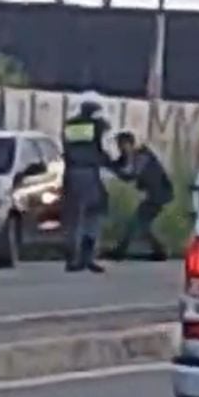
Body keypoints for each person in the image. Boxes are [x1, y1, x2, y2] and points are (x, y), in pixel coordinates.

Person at [61, 95, 112, 273]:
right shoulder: (96, 126)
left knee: (74, 218)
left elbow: (68, 149)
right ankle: (87, 258)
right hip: (89, 173)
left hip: (71, 172)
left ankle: (72, 259)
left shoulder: (70, 125)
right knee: (93, 214)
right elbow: (103, 134)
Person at [108, 131, 173, 261]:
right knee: (141, 225)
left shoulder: (142, 156)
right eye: (118, 145)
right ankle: (159, 252)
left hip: (157, 194)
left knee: (137, 223)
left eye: (121, 144)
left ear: (129, 144)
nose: (119, 148)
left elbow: (130, 175)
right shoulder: (131, 156)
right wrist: (108, 164)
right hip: (153, 194)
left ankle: (120, 252)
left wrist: (110, 166)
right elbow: (121, 168)